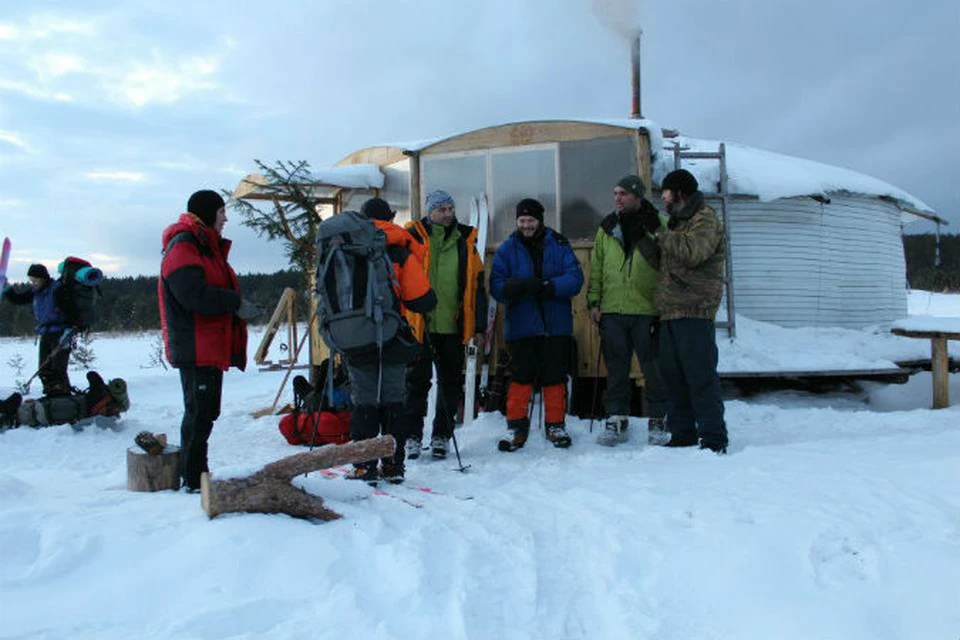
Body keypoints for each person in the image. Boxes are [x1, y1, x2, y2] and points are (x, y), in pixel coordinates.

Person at [159, 189, 262, 492]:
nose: (225, 219)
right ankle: (192, 478)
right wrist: (233, 302)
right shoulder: (184, 246)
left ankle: (196, 472)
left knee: (205, 412)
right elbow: (193, 295)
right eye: (221, 213)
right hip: (195, 345)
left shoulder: (203, 246)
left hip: (206, 344)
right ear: (207, 213)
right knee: (199, 412)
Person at [341, 197, 436, 483]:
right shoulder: (400, 250)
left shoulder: (347, 246)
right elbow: (422, 301)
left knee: (364, 400)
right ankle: (393, 464)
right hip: (392, 335)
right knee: (393, 399)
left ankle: (363, 465)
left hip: (356, 336)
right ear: (391, 218)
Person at [489, 198, 583, 450]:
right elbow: (496, 285)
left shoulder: (559, 244)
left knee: (554, 376)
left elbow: (575, 278)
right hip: (521, 325)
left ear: (540, 220)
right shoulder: (507, 249)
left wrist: (548, 287)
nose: (526, 225)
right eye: (522, 220)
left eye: (530, 220)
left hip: (555, 325)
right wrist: (515, 287)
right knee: (520, 377)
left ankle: (555, 425)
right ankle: (516, 426)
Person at [402, 189, 487, 460]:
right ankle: (412, 436)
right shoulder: (412, 238)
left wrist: (480, 326)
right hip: (418, 325)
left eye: (450, 209)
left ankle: (441, 435)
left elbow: (477, 287)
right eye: (442, 209)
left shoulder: (466, 240)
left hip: (453, 323)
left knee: (450, 383)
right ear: (430, 211)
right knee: (416, 383)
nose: (448, 214)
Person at [586, 174, 670, 447]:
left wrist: (666, 304)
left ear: (638, 195)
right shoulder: (607, 227)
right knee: (617, 368)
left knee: (653, 368)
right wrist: (594, 301)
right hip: (612, 310)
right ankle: (617, 418)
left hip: (647, 309)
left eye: (623, 193)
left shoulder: (660, 225)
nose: (617, 198)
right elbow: (596, 266)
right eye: (615, 193)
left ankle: (658, 418)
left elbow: (672, 267)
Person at [653, 169, 728, 453]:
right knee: (673, 377)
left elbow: (694, 252)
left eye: (666, 192)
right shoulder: (677, 222)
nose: (663, 198)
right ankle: (683, 432)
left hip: (695, 309)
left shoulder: (704, 219)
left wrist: (661, 233)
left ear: (679, 193)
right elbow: (666, 260)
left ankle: (713, 437)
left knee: (700, 377)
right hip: (671, 310)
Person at [2, 263, 74, 396]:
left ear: (44, 278)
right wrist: (6, 287)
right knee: (44, 370)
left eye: (35, 280)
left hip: (60, 334)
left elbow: (72, 312)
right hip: (46, 334)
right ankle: (52, 397)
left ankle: (65, 401)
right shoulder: (35, 292)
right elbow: (18, 299)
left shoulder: (58, 290)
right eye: (31, 280)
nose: (33, 283)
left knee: (58, 370)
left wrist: (68, 331)